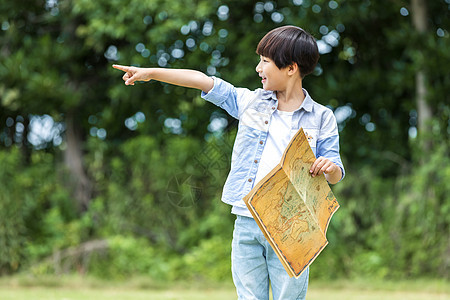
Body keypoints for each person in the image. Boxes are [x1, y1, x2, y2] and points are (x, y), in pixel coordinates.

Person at [113, 25, 345, 300]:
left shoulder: (321, 117)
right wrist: (150, 73)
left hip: (292, 226)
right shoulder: (250, 102)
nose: (258, 68)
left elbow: (335, 172)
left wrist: (329, 168)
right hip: (247, 220)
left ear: (291, 68)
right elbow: (203, 80)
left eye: (265, 62)